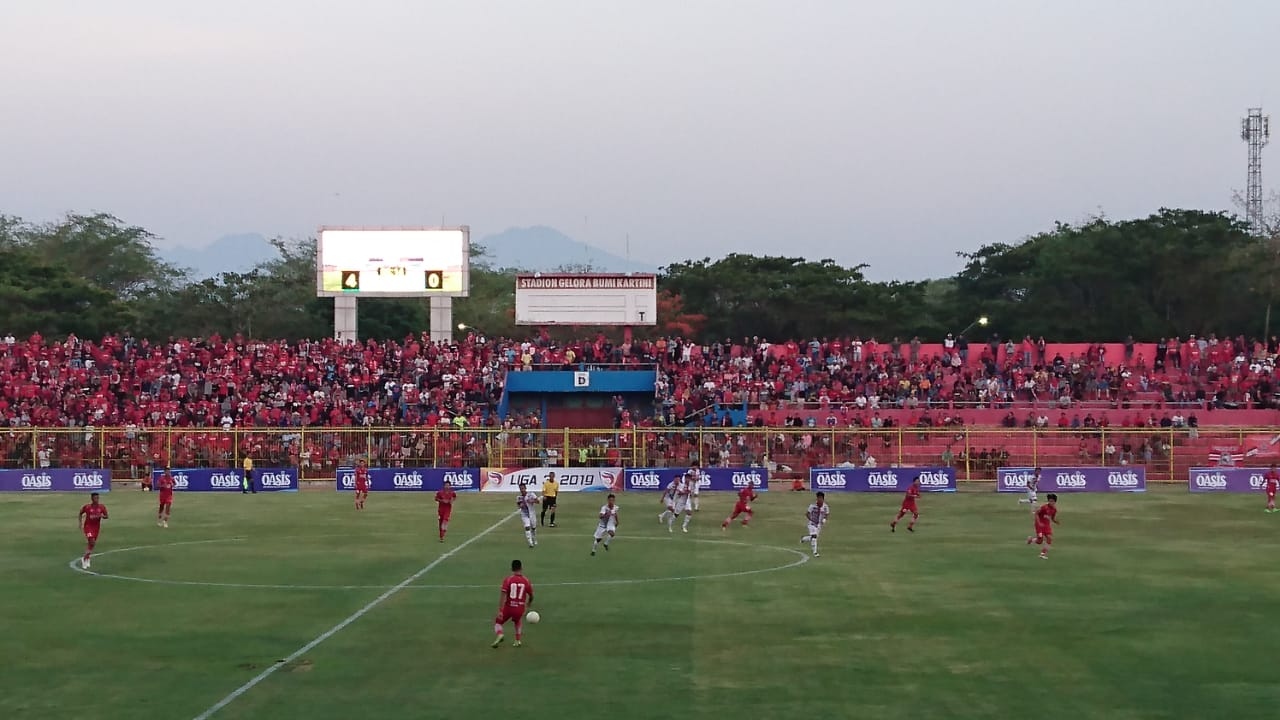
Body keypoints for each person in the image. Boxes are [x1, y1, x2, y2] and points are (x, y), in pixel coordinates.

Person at [492, 559, 534, 649]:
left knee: (498, 622)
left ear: (511, 569)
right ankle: (517, 640)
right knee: (517, 621)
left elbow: (503, 595)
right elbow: (531, 595)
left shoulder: (508, 580)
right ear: (521, 568)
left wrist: (500, 610)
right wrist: (528, 604)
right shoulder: (526, 581)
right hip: (520, 608)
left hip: (509, 607)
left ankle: (500, 634)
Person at [78, 492, 109, 569]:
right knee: (92, 541)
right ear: (92, 499)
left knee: (91, 544)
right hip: (88, 527)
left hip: (96, 528)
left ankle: (87, 558)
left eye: (98, 498)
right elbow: (80, 513)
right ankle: (84, 558)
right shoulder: (87, 507)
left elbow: (106, 516)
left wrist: (102, 516)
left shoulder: (101, 507)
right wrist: (80, 523)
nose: (97, 500)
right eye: (95, 498)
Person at [1027, 493, 1060, 559]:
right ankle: (1031, 540)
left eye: (1052, 501)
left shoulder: (1054, 509)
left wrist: (1056, 521)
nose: (1051, 502)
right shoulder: (1044, 507)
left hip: (1046, 525)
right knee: (1040, 541)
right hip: (1039, 525)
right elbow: (1036, 513)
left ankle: (1042, 554)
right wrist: (1039, 523)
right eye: (1050, 501)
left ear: (1055, 502)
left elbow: (1052, 518)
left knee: (1049, 538)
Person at [800, 491, 830, 557]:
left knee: (813, 537)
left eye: (821, 498)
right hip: (812, 524)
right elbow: (807, 514)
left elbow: (827, 514)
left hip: (819, 525)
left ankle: (804, 538)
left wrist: (824, 519)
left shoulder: (825, 506)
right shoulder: (812, 506)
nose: (819, 500)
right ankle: (815, 552)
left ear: (823, 499)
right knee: (814, 537)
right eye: (818, 498)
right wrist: (811, 519)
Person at [517, 482, 540, 548]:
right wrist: (521, 505)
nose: (522, 490)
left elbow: (538, 501)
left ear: (525, 488)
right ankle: (530, 542)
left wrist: (532, 501)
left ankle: (534, 538)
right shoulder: (519, 497)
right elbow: (519, 505)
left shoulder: (531, 494)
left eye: (523, 488)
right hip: (524, 514)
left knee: (533, 527)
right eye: (521, 489)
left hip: (532, 513)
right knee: (527, 527)